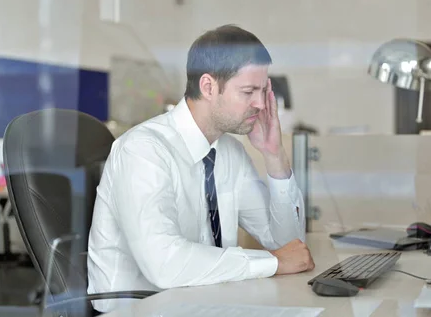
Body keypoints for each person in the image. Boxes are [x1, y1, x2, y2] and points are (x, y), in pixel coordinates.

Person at [87, 24, 315, 313]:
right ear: (208, 87)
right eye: (248, 91)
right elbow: (164, 264)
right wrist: (273, 262)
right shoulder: (143, 150)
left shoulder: (228, 151)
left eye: (263, 90)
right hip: (136, 309)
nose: (260, 104)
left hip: (201, 304)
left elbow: (290, 246)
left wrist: (274, 155)